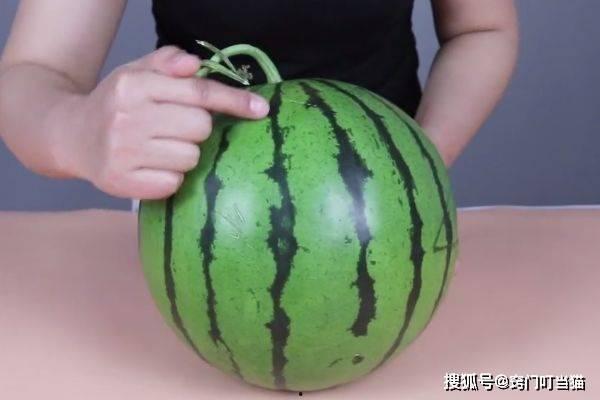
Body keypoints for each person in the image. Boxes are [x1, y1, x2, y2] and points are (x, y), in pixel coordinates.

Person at [0, 1, 518, 201]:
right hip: (195, 207)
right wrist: (76, 131)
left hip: (385, 204)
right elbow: (31, 75)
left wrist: (421, 165)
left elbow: (481, 28)